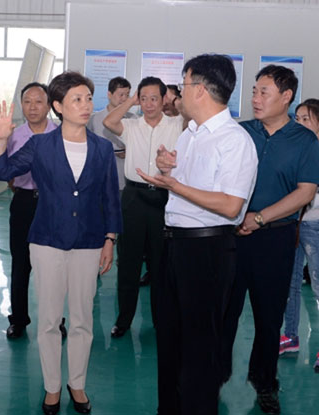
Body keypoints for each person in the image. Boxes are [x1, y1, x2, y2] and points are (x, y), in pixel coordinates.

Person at [0, 71, 121, 415]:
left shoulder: (103, 148)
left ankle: (77, 383)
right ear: (59, 106)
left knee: (81, 319)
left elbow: (110, 198)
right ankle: (52, 386)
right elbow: (2, 172)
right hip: (47, 239)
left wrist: (110, 239)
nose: (85, 105)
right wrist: (1, 139)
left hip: (89, 241)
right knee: (49, 320)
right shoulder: (40, 145)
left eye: (88, 98)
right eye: (77, 99)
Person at [137, 54, 257, 415]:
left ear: (201, 89)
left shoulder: (234, 140)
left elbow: (231, 205)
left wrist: (174, 185)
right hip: (174, 245)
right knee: (169, 341)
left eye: (183, 84)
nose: (176, 94)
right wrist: (170, 170)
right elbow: (189, 187)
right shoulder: (190, 135)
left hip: (208, 250)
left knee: (201, 351)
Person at [221, 65, 319, 414]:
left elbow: (305, 191)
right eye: (254, 91)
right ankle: (215, 373)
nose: (255, 98)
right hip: (231, 235)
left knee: (269, 315)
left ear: (286, 96)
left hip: (274, 239)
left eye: (264, 92)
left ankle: (264, 380)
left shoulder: (304, 140)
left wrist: (260, 217)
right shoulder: (240, 132)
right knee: (224, 310)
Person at [103, 76, 182, 337]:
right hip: (133, 198)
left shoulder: (176, 125)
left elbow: (194, 116)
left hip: (163, 198)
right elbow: (108, 122)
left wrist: (175, 101)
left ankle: (161, 321)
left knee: (161, 264)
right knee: (128, 262)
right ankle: (123, 320)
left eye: (154, 98)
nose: (148, 104)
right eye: (144, 98)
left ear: (163, 100)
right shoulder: (131, 125)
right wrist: (131, 102)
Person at [280, 99, 319, 371]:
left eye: (306, 119)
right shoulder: (296, 151)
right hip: (291, 224)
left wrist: (297, 197)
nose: (300, 123)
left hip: (316, 227)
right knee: (290, 283)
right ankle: (290, 336)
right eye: (297, 118)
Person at [5, 82, 58, 339]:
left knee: (54, 265)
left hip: (53, 204)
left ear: (49, 105)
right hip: (24, 202)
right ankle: (18, 319)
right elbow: (6, 170)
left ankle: (55, 319)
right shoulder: (14, 135)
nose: (32, 107)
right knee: (20, 263)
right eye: (27, 101)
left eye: (38, 101)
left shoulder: (61, 134)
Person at [88, 76, 137, 191]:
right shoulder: (94, 119)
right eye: (121, 95)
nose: (124, 99)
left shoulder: (133, 119)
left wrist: (130, 151)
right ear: (109, 95)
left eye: (127, 95)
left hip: (126, 180)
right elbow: (88, 147)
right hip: (101, 178)